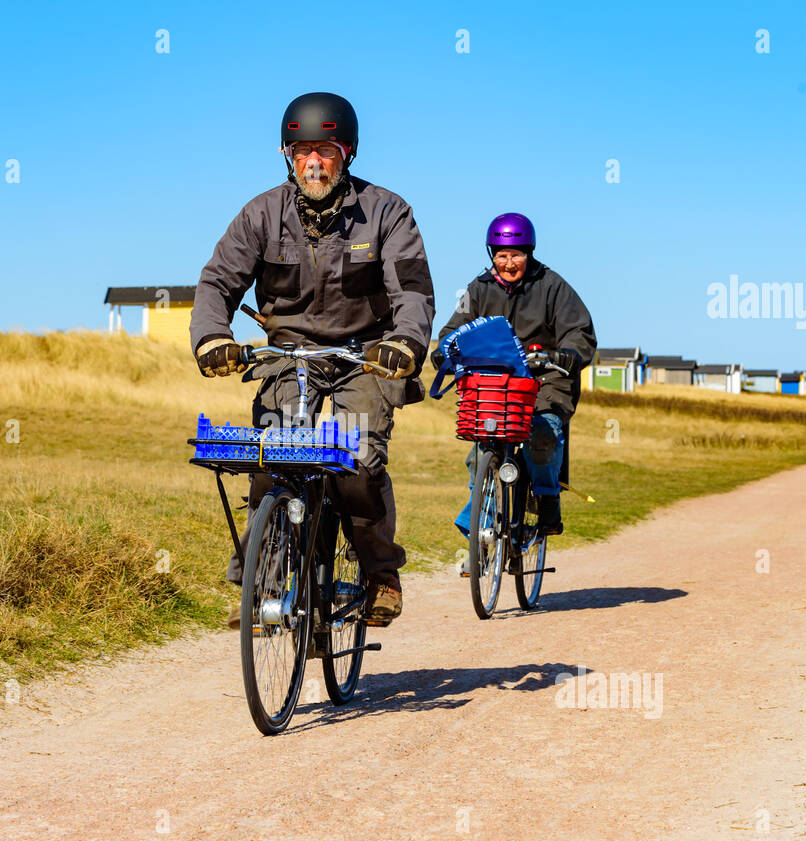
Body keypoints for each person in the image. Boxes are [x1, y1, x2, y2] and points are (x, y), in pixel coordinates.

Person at [191, 92, 436, 625]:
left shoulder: (387, 212)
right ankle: (264, 581)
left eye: (324, 150)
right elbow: (217, 281)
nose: (313, 162)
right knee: (273, 457)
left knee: (356, 462)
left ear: (345, 152)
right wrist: (212, 336)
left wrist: (405, 344)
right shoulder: (261, 214)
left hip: (366, 358)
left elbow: (412, 291)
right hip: (287, 356)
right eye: (302, 151)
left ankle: (379, 575)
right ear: (287, 155)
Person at [433, 212, 596, 546]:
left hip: (546, 378)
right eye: (502, 255)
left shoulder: (553, 287)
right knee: (480, 451)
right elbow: (454, 327)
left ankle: (548, 498)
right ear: (491, 254)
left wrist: (568, 354)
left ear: (529, 253)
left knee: (543, 431)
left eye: (516, 254)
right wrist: (444, 349)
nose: (509, 263)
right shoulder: (477, 289)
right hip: (496, 382)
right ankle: (481, 526)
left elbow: (579, 332)